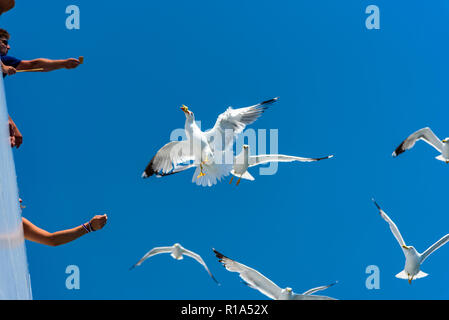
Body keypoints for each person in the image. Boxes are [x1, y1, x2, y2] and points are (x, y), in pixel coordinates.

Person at [0, 28, 81, 147]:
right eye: (5, 43)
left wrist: (62, 64)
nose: (9, 47)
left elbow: (34, 65)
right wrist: (4, 68)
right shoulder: (3, 63)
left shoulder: (6, 60)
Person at [22, 214, 108, 247]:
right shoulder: (17, 222)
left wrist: (89, 227)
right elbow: (52, 240)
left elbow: (51, 239)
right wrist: (89, 227)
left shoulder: (19, 223)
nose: (21, 200)